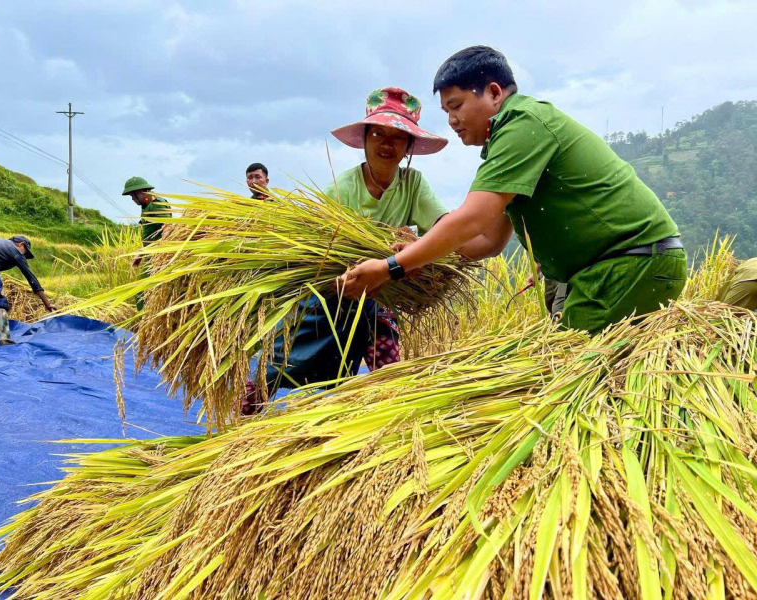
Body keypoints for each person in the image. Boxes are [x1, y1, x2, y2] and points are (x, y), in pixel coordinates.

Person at [342, 46, 688, 334]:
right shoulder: (504, 145)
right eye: (446, 111)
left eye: (457, 105)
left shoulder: (522, 125)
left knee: (570, 388)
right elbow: (487, 242)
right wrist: (422, 251)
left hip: (630, 264)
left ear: (494, 93)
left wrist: (392, 266)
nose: (451, 120)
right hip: (602, 271)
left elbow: (472, 219)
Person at [242, 87, 454, 414]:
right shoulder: (343, 187)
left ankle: (378, 426)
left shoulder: (413, 184)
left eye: (398, 137)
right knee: (280, 362)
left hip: (381, 295)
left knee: (386, 369)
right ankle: (239, 420)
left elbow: (443, 226)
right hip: (332, 294)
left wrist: (414, 246)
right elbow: (316, 244)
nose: (386, 144)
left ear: (409, 146)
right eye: (378, 134)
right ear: (365, 138)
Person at [122, 176, 171, 310]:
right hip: (151, 254)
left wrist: (162, 259)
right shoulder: (147, 206)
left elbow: (167, 228)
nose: (132, 200)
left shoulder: (157, 205)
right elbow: (150, 236)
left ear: (140, 192)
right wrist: (140, 255)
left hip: (158, 256)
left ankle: (146, 325)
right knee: (143, 293)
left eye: (133, 196)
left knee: (141, 292)